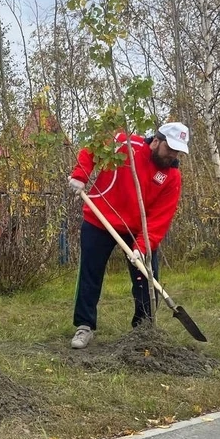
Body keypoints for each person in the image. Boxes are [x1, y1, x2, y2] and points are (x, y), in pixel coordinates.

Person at [67, 122, 190, 349]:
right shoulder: (124, 144)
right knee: (90, 275)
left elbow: (159, 219)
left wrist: (141, 247)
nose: (172, 155)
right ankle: (84, 326)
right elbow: (93, 149)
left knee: (146, 281)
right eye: (169, 149)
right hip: (99, 220)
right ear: (156, 141)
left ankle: (143, 330)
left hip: (137, 230)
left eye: (177, 151)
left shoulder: (172, 176)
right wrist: (80, 175)